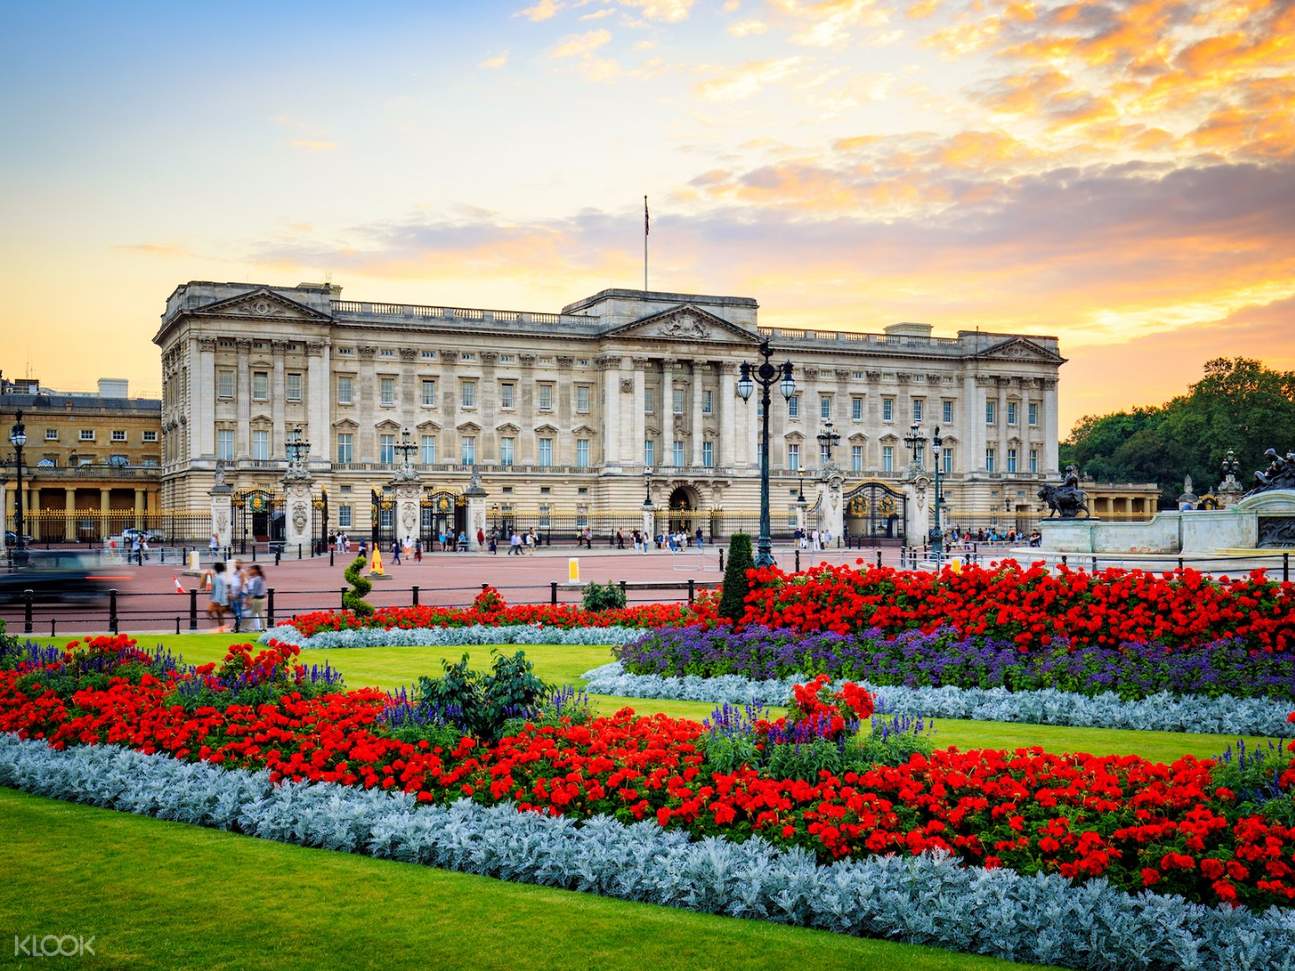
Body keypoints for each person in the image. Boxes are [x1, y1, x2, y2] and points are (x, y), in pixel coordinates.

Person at [206, 561, 229, 632]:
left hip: (219, 600)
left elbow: (218, 590)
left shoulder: (218, 578)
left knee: (210, 611)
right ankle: (221, 628)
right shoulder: (222, 577)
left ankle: (220, 625)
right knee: (220, 614)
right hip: (223, 599)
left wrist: (216, 600)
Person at [244, 564, 267, 632]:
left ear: (255, 570)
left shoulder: (257, 579)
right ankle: (247, 627)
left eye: (252, 569)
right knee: (254, 613)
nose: (250, 571)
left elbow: (255, 590)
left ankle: (263, 627)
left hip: (257, 599)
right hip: (260, 598)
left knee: (258, 613)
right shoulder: (260, 578)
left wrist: (250, 599)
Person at [227, 559, 245, 633]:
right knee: (233, 609)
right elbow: (232, 583)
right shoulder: (235, 572)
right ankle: (238, 624)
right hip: (233, 594)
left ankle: (238, 625)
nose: (236, 564)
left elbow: (241, 584)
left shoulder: (242, 573)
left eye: (238, 563)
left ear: (241, 564)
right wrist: (230, 592)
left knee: (238, 610)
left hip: (238, 594)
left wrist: (237, 594)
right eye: (236, 563)